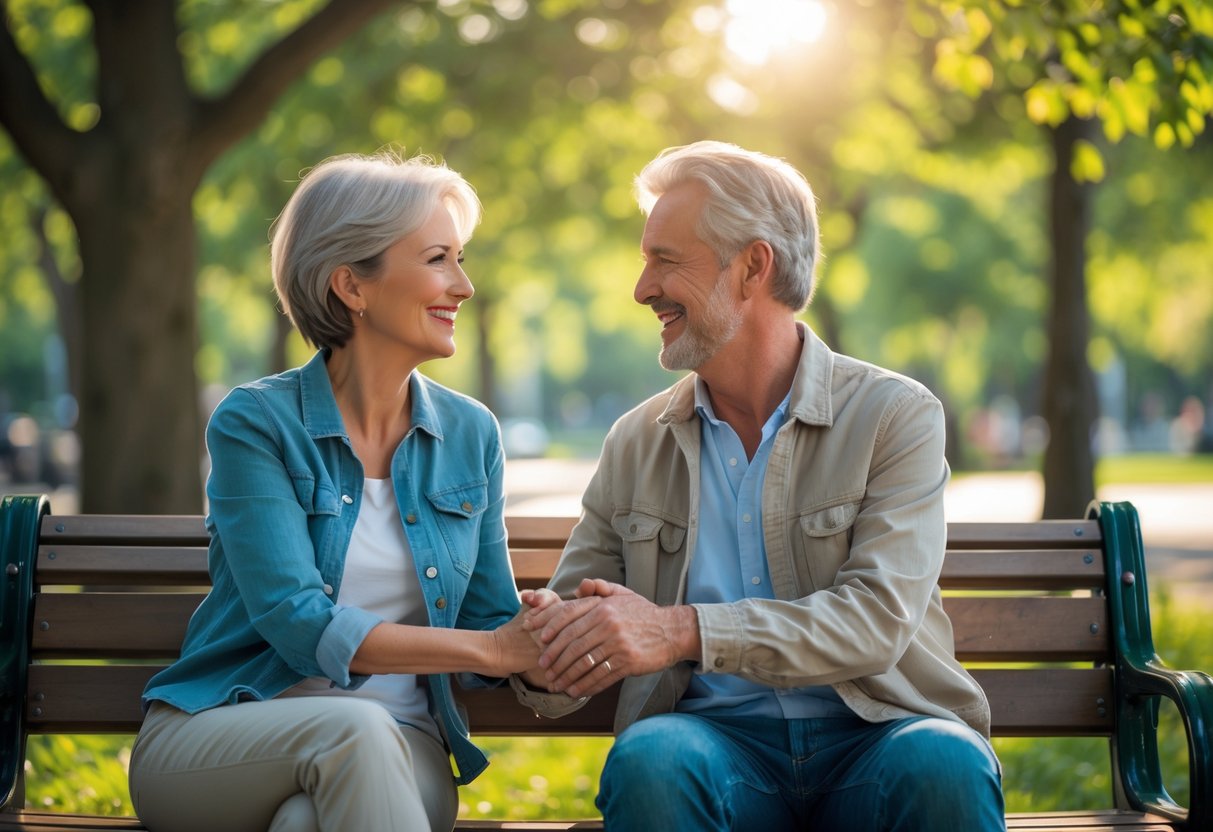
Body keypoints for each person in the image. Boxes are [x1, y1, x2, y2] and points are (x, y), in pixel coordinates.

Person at [514, 141, 1005, 831]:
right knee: (650, 759)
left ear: (752, 267)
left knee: (946, 762)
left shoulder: (893, 415)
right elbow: (569, 632)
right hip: (713, 749)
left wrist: (679, 630)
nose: (641, 288)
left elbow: (874, 622)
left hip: (877, 737)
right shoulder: (636, 439)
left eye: (665, 259)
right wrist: (547, 647)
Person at [129, 152, 550, 832]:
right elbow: (297, 618)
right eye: (439, 258)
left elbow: (488, 620)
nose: (464, 286)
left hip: (404, 748)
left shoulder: (471, 435)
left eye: (460, 258)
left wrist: (544, 632)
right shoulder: (256, 424)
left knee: (308, 818)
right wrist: (496, 650)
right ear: (352, 286)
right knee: (349, 731)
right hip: (222, 738)